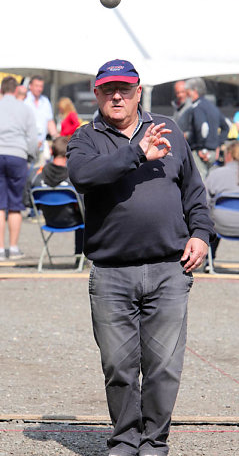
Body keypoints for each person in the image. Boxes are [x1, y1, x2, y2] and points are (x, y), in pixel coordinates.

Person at [67, 58, 215, 456]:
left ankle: (153, 441)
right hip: (112, 273)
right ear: (97, 93)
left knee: (164, 368)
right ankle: (126, 438)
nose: (117, 95)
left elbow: (194, 193)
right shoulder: (86, 138)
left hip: (169, 269)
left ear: (139, 91)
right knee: (118, 367)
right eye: (109, 89)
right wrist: (136, 152)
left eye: (125, 89)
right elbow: (83, 177)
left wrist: (201, 235)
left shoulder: (168, 129)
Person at [23, 136, 84, 261]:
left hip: (49, 220)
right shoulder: (75, 176)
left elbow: (27, 202)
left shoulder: (36, 175)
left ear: (51, 151)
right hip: (75, 221)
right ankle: (80, 258)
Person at [0, 76, 38, 261]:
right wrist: (31, 155)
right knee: (15, 204)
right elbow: (32, 138)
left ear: (1, 90)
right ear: (16, 91)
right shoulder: (25, 109)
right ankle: (13, 248)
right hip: (17, 155)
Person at [184, 77, 229, 180]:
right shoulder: (212, 107)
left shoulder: (197, 107)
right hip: (212, 152)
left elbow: (202, 128)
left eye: (188, 92)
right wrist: (217, 144)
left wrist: (201, 147)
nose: (187, 95)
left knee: (198, 182)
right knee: (208, 179)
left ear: (194, 91)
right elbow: (226, 127)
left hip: (201, 152)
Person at [204, 140, 239, 271]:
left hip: (219, 226)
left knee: (213, 214)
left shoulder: (216, 174)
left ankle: (209, 261)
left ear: (228, 155)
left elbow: (204, 202)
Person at [24, 75, 58, 165]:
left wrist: (56, 138)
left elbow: (49, 122)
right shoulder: (24, 100)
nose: (39, 89)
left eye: (41, 86)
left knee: (39, 175)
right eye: (36, 86)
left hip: (41, 147)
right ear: (30, 86)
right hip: (26, 147)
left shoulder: (45, 101)